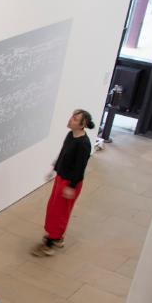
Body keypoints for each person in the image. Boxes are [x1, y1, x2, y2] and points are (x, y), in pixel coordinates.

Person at [33, 109, 94, 257]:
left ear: (82, 124)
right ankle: (57, 238)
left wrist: (71, 186)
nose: (70, 120)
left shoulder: (84, 144)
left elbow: (80, 167)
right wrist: (54, 168)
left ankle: (49, 244)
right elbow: (63, 153)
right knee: (54, 208)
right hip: (61, 178)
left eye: (74, 119)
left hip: (69, 183)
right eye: (72, 117)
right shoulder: (71, 135)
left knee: (59, 212)